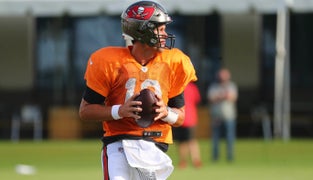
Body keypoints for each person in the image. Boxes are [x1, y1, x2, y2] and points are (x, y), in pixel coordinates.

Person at [78, 1, 197, 180]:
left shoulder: (175, 62)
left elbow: (180, 117)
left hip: (155, 145)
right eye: (161, 29)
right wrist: (120, 111)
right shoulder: (109, 62)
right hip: (119, 143)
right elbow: (85, 111)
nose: (165, 35)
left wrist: (165, 112)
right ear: (143, 31)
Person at [207, 68, 238, 162]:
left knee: (230, 137)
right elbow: (211, 98)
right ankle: (215, 158)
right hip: (216, 117)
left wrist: (221, 96)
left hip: (229, 116)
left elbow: (232, 97)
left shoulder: (232, 86)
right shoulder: (214, 86)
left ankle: (230, 157)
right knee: (215, 138)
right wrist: (223, 96)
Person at [173, 82, 202, 169]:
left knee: (182, 142)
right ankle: (196, 160)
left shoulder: (177, 86)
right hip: (190, 118)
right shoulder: (192, 87)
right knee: (191, 140)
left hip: (180, 117)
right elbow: (197, 100)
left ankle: (183, 161)